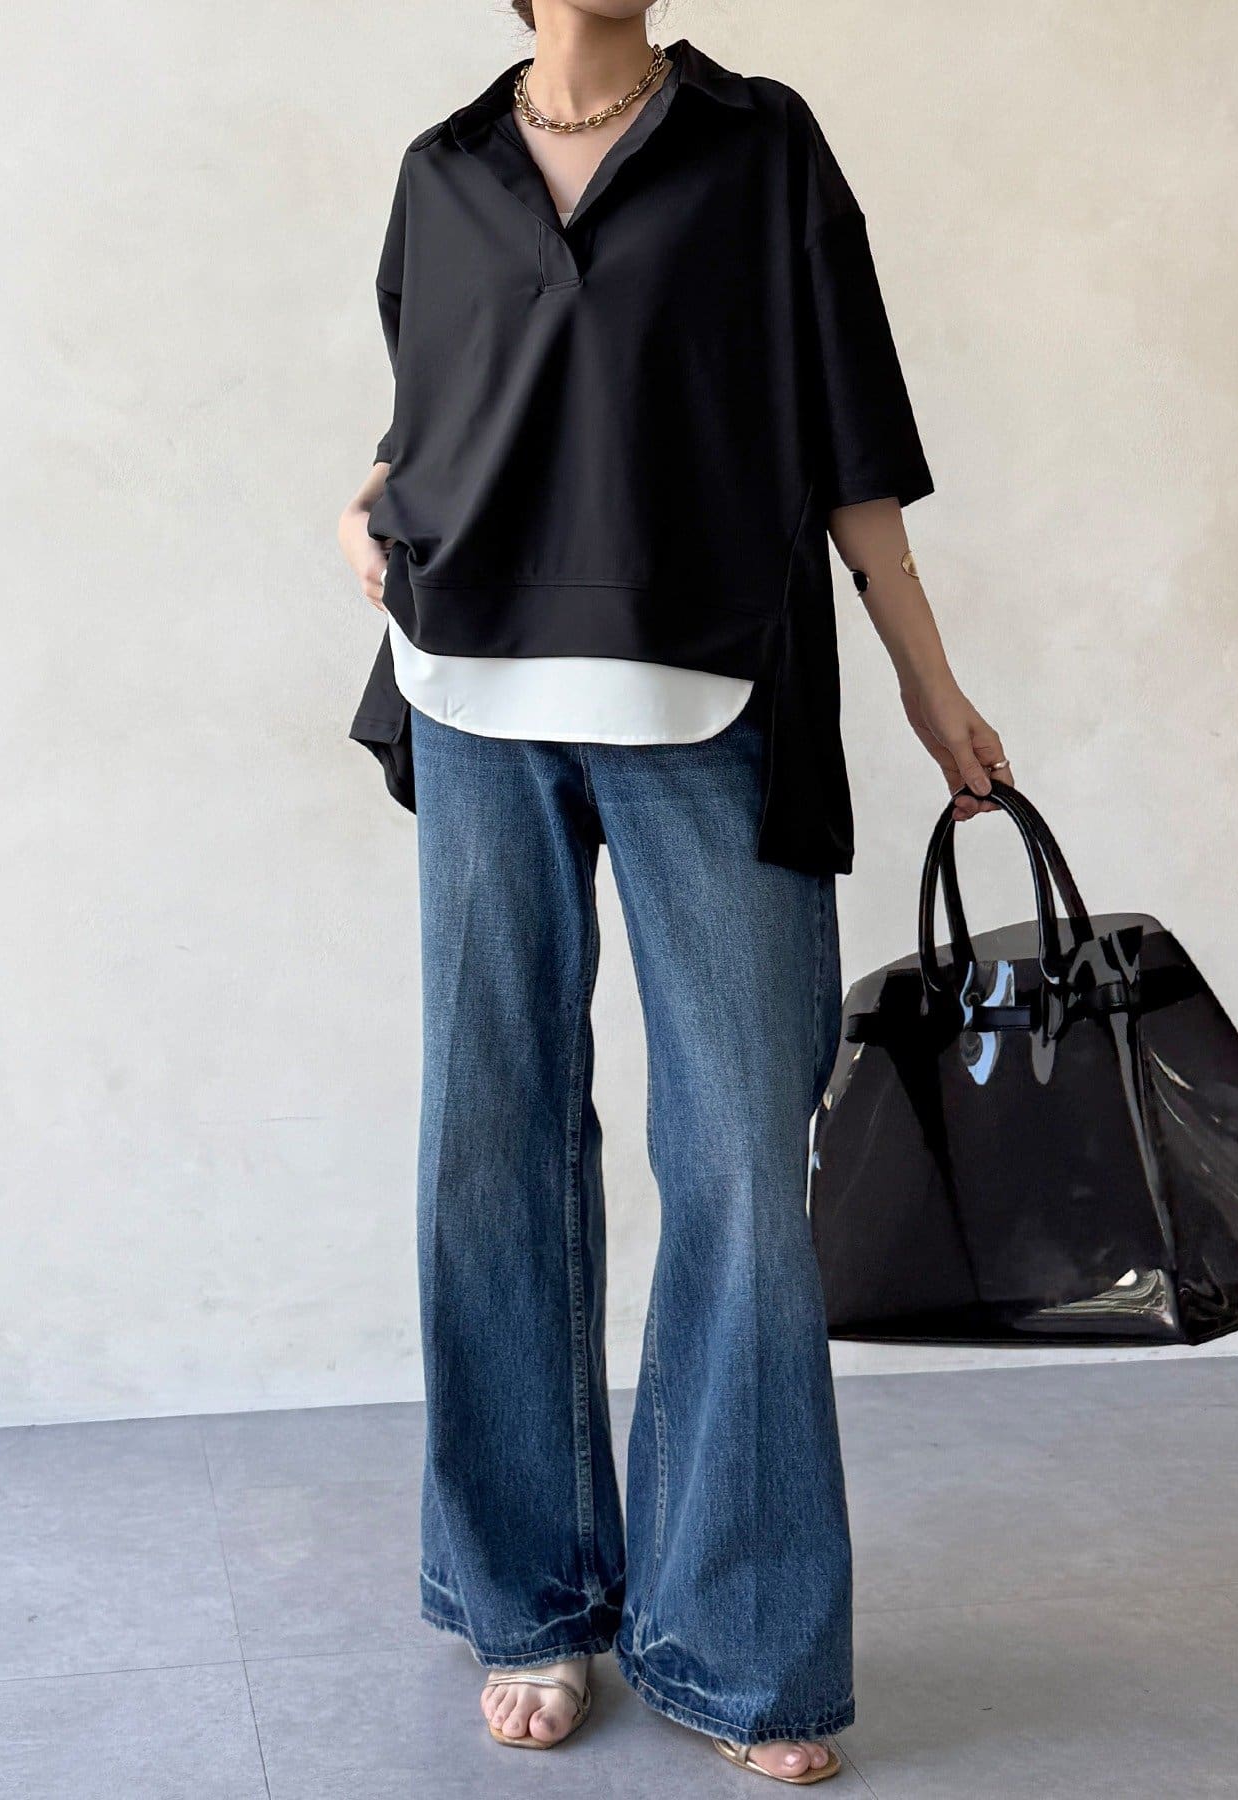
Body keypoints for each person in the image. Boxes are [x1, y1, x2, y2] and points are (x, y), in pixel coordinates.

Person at [337, 2, 1010, 1783]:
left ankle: (739, 1642)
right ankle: (529, 1605)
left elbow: (850, 443)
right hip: (472, 698)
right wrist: (362, 517)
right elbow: (437, 419)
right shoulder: (441, 172)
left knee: (739, 1165)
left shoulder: (760, 145)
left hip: (712, 697)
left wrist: (931, 687)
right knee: (490, 1149)